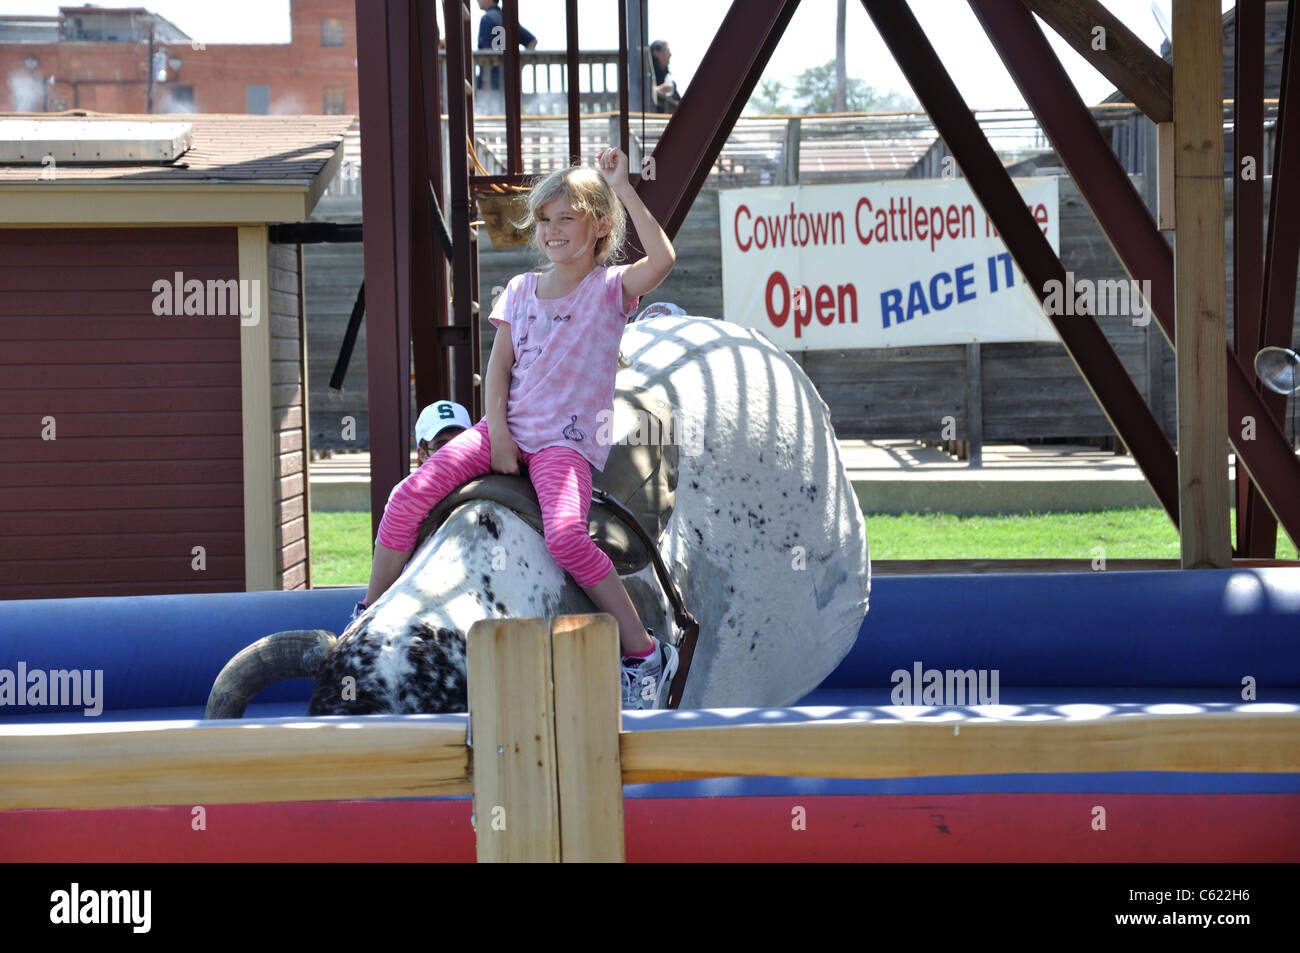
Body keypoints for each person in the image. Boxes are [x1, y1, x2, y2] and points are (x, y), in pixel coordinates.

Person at [354, 146, 680, 711]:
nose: (552, 230)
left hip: (563, 443)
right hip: (503, 429)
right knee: (406, 497)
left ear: (598, 225)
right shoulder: (522, 290)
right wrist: (498, 434)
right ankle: (367, 619)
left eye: (566, 218)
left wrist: (622, 185)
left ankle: (643, 652)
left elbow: (664, 259)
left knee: (567, 537)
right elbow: (499, 366)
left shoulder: (611, 289)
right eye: (546, 219)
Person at [475, 0, 537, 113]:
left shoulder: (487, 19)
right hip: (509, 83)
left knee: (488, 121)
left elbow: (486, 54)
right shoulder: (507, 18)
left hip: (490, 86)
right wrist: (519, 65)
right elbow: (532, 41)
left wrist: (484, 82)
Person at [649, 39, 680, 113]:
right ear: (656, 53)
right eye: (667, 51)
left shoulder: (667, 75)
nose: (670, 54)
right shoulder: (648, 73)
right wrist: (658, 90)